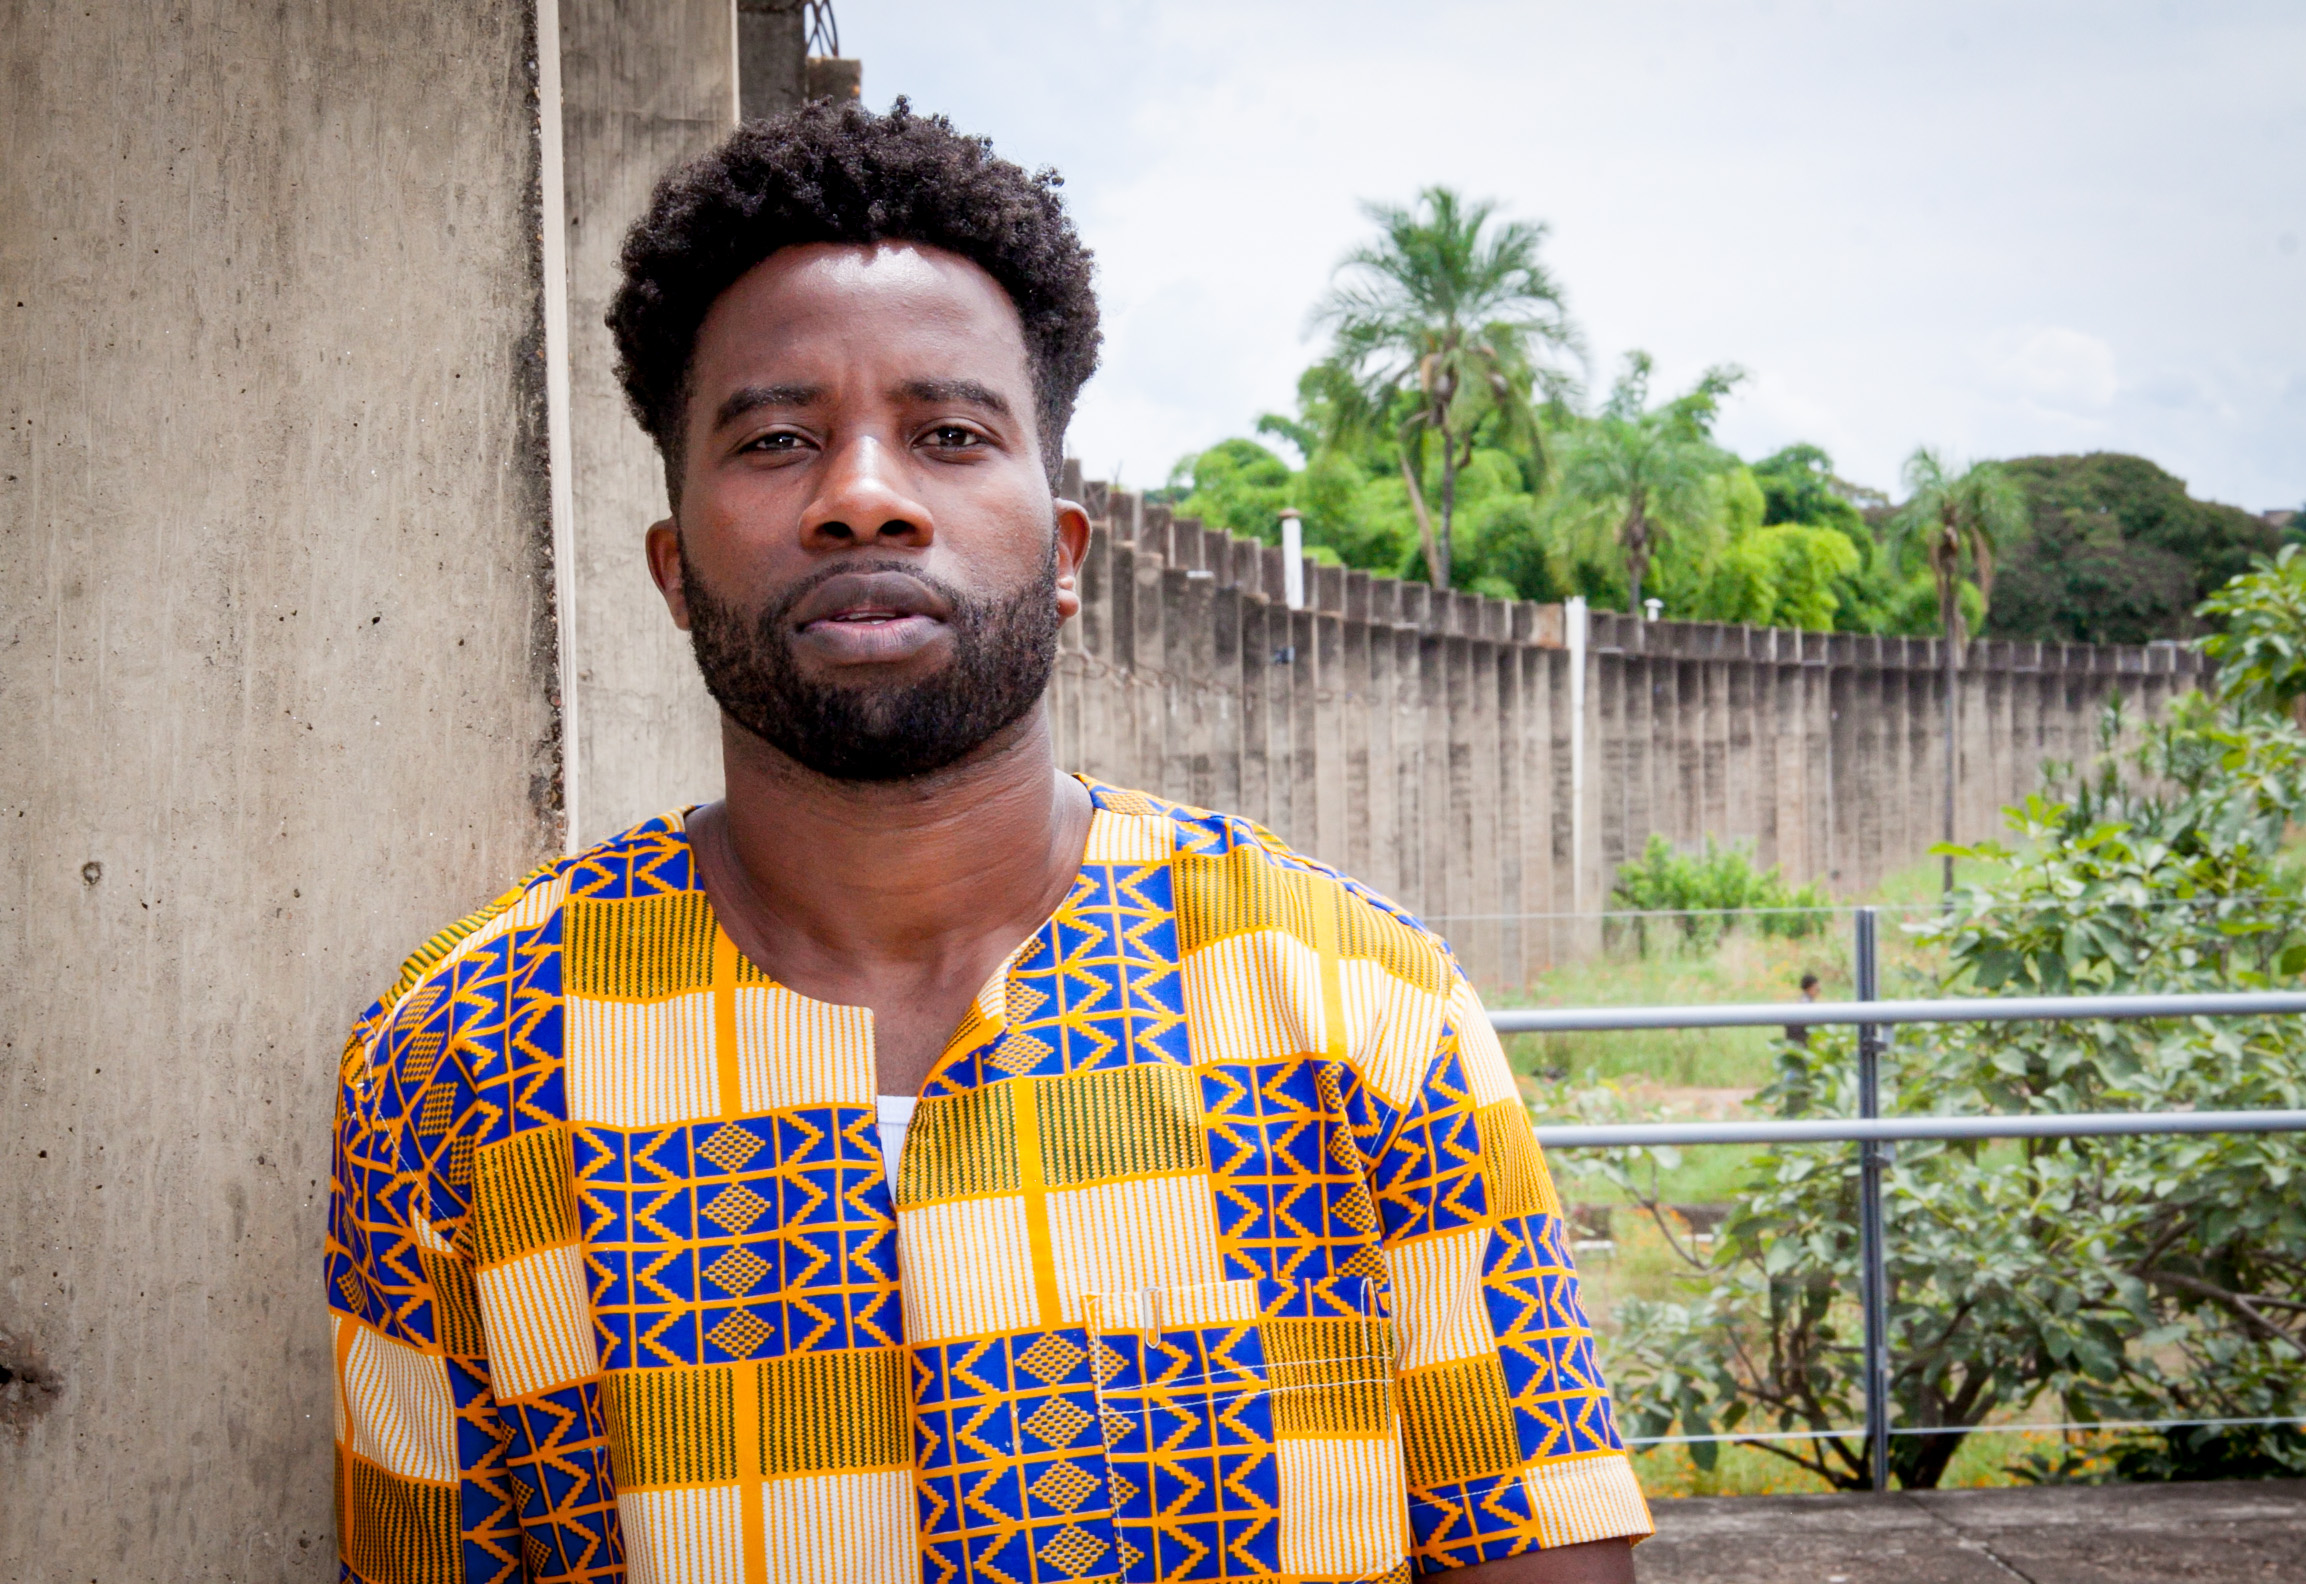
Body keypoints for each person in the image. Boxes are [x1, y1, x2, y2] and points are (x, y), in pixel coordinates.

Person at [324, 99, 1651, 1584]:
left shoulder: (1361, 1005)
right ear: (675, 571)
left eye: (950, 435)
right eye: (777, 440)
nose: (863, 498)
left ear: (1065, 556)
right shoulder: (458, 1061)